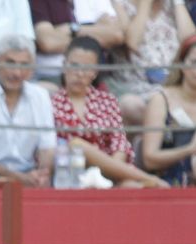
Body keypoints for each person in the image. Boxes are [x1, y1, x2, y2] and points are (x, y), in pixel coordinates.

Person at [51, 34, 168, 186]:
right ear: (64, 65)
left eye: (87, 68)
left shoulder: (107, 101)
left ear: (95, 72)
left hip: (109, 176)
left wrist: (110, 172)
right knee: (77, 145)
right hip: (69, 174)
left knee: (131, 187)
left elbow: (119, 144)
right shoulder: (50, 103)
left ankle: (142, 180)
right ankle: (148, 178)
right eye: (74, 66)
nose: (79, 74)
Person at [139, 33, 196, 186]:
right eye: (195, 62)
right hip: (166, 180)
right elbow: (149, 159)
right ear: (182, 64)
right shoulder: (161, 99)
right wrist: (191, 149)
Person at [0, 34, 55, 184]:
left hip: (29, 174)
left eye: (24, 65)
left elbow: (47, 147)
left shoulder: (40, 96)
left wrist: (41, 174)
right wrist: (19, 179)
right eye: (10, 63)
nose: (17, 73)